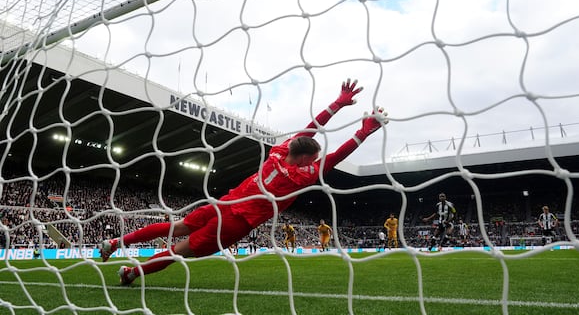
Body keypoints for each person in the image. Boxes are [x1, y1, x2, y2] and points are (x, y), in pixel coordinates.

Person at [99, 78, 387, 285]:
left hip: (227, 202)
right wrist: (364, 132)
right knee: (181, 250)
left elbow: (309, 130)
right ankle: (131, 274)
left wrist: (336, 104)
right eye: (314, 158)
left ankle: (115, 242)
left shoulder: (277, 153)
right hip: (239, 221)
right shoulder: (302, 176)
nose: (317, 160)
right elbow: (336, 156)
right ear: (304, 159)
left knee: (179, 226)